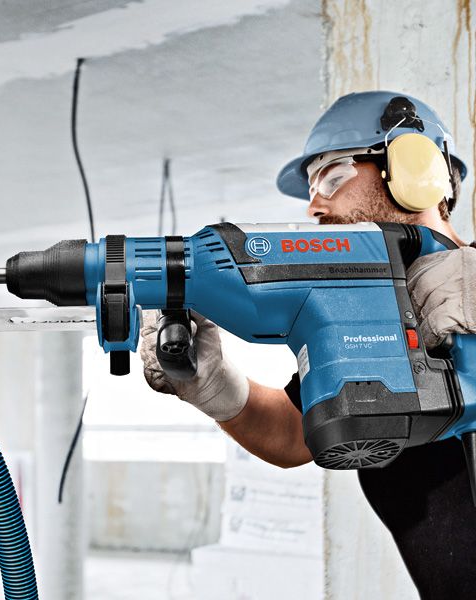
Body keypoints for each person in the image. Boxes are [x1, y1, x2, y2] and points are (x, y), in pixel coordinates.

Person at [141, 91, 476, 599]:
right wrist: (211, 384)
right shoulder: (364, 321)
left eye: (333, 178)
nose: (315, 205)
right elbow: (290, 434)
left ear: (415, 169)